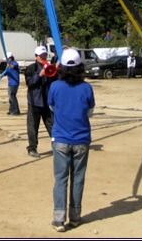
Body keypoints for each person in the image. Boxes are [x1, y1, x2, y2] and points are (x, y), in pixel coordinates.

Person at [47, 48, 95, 232]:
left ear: (62, 67)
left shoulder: (55, 86)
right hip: (82, 138)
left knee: (60, 178)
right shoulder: (87, 87)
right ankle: (75, 217)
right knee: (78, 179)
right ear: (80, 66)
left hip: (60, 138)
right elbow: (90, 111)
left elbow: (51, 106)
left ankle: (58, 219)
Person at [24, 45, 56, 158]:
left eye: (44, 55)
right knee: (33, 126)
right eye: (40, 55)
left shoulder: (50, 67)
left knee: (52, 124)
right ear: (36, 56)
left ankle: (57, 145)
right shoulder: (31, 68)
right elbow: (29, 83)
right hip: (34, 101)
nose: (43, 57)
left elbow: (54, 83)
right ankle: (32, 148)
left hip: (47, 101)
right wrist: (39, 75)